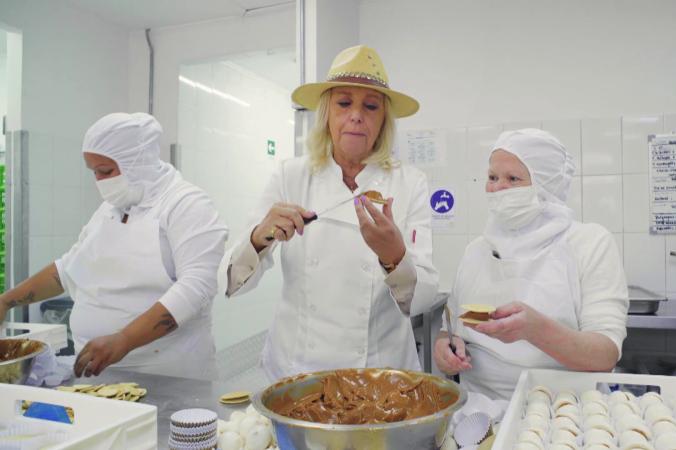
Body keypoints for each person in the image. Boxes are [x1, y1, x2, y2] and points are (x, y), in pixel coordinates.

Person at [226, 45, 438, 382]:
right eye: (343, 103)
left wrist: (394, 255)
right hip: (299, 372)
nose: (356, 115)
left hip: (377, 373)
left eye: (370, 106)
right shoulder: (290, 175)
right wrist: (258, 237)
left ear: (383, 120)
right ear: (326, 113)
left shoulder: (409, 182)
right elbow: (234, 281)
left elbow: (423, 300)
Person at [0, 113, 228, 380]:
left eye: (106, 171)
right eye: (94, 171)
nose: (99, 180)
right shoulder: (111, 209)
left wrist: (124, 340)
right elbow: (67, 270)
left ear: (136, 163)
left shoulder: (186, 205)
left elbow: (196, 287)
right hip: (98, 374)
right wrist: (6, 301)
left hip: (169, 377)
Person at [433, 129, 628, 400]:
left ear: (545, 187)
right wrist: (445, 346)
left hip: (563, 407)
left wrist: (534, 329)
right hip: (477, 409)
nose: (497, 187)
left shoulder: (588, 243)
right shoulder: (477, 251)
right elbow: (451, 327)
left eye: (513, 178)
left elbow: (604, 355)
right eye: (492, 177)